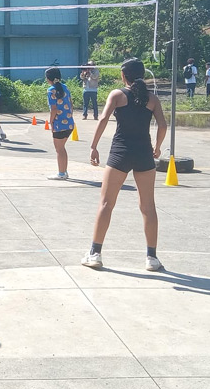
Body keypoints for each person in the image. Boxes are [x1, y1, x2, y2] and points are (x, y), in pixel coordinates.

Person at [82, 58, 167, 272]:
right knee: (148, 207)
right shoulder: (152, 99)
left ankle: (95, 253)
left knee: (106, 204)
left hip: (120, 152)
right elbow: (163, 125)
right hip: (144, 153)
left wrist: (93, 146)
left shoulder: (117, 95)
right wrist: (157, 147)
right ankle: (152, 257)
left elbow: (102, 119)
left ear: (123, 76)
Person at [45, 67, 75, 180]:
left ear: (49, 79)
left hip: (59, 125)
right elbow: (71, 104)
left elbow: (53, 109)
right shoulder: (65, 87)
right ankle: (64, 171)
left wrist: (51, 121)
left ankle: (62, 173)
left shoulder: (50, 90)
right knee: (62, 148)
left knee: (59, 149)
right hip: (69, 123)